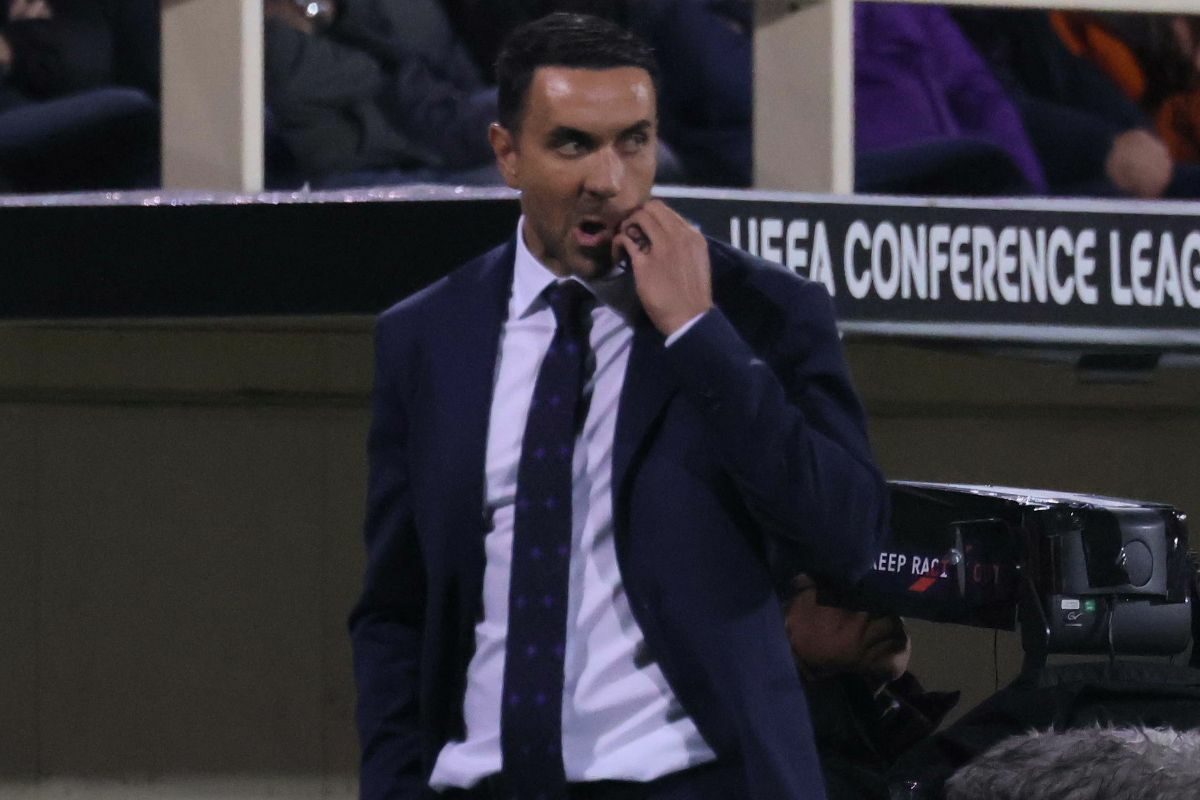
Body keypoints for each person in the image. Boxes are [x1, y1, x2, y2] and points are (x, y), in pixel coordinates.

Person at [349, 11, 889, 800]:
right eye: (573, 144)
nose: (609, 179)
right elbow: (396, 610)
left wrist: (699, 334)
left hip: (694, 783)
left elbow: (850, 538)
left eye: (633, 142)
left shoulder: (762, 314)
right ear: (507, 154)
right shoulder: (426, 336)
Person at [785, 575, 958, 800]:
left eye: (890, 586)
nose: (884, 605)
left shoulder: (910, 737)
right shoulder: (762, 753)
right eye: (849, 589)